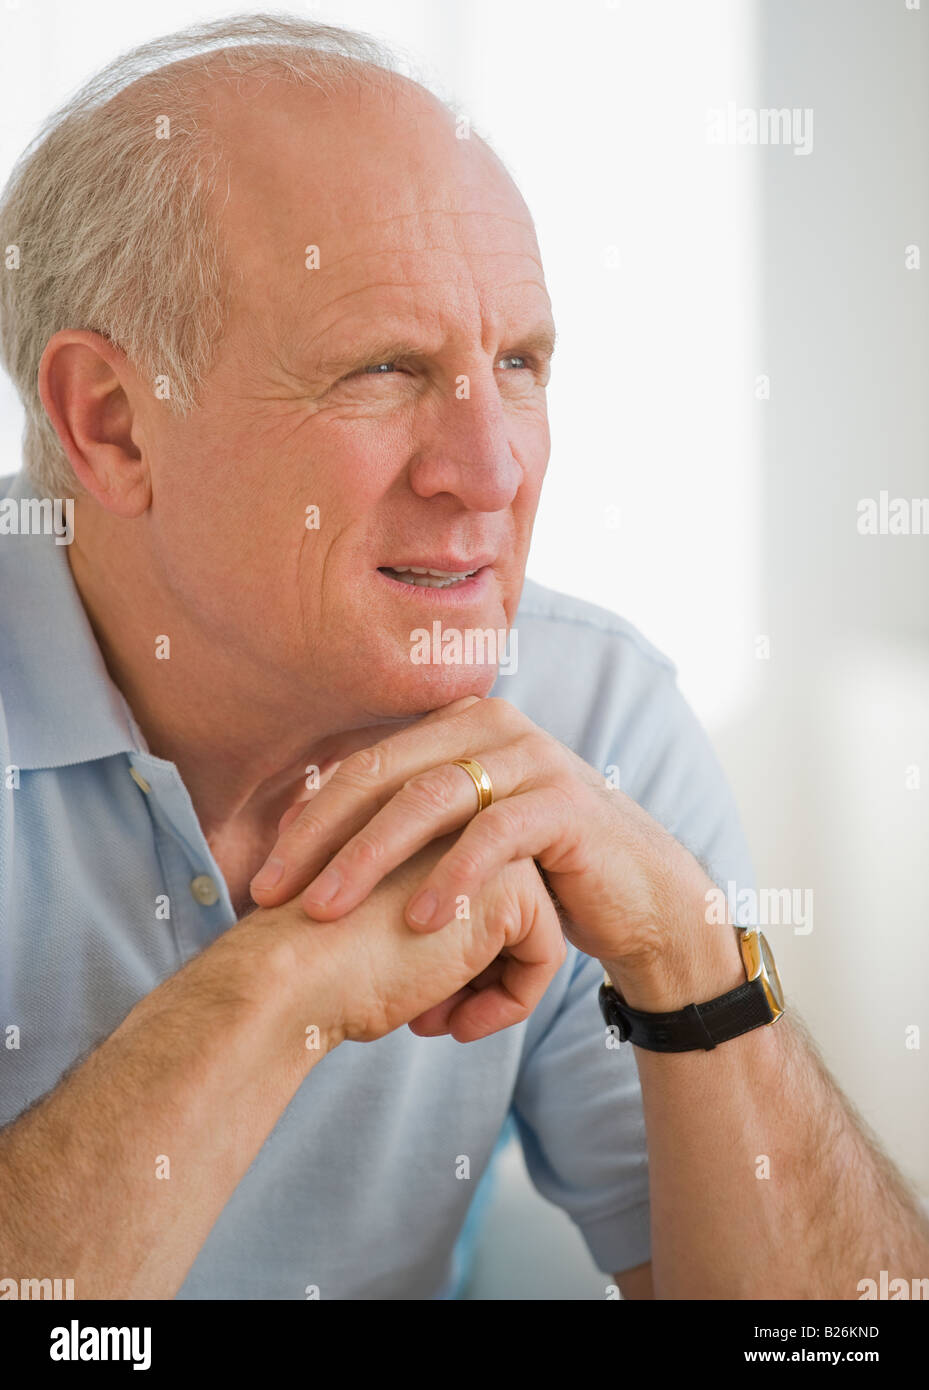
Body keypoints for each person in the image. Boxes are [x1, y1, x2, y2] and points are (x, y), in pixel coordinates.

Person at [0, 15, 926, 1301]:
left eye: (517, 364)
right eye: (384, 369)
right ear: (110, 425)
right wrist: (277, 991)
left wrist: (687, 962)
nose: (491, 471)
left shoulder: (589, 713)